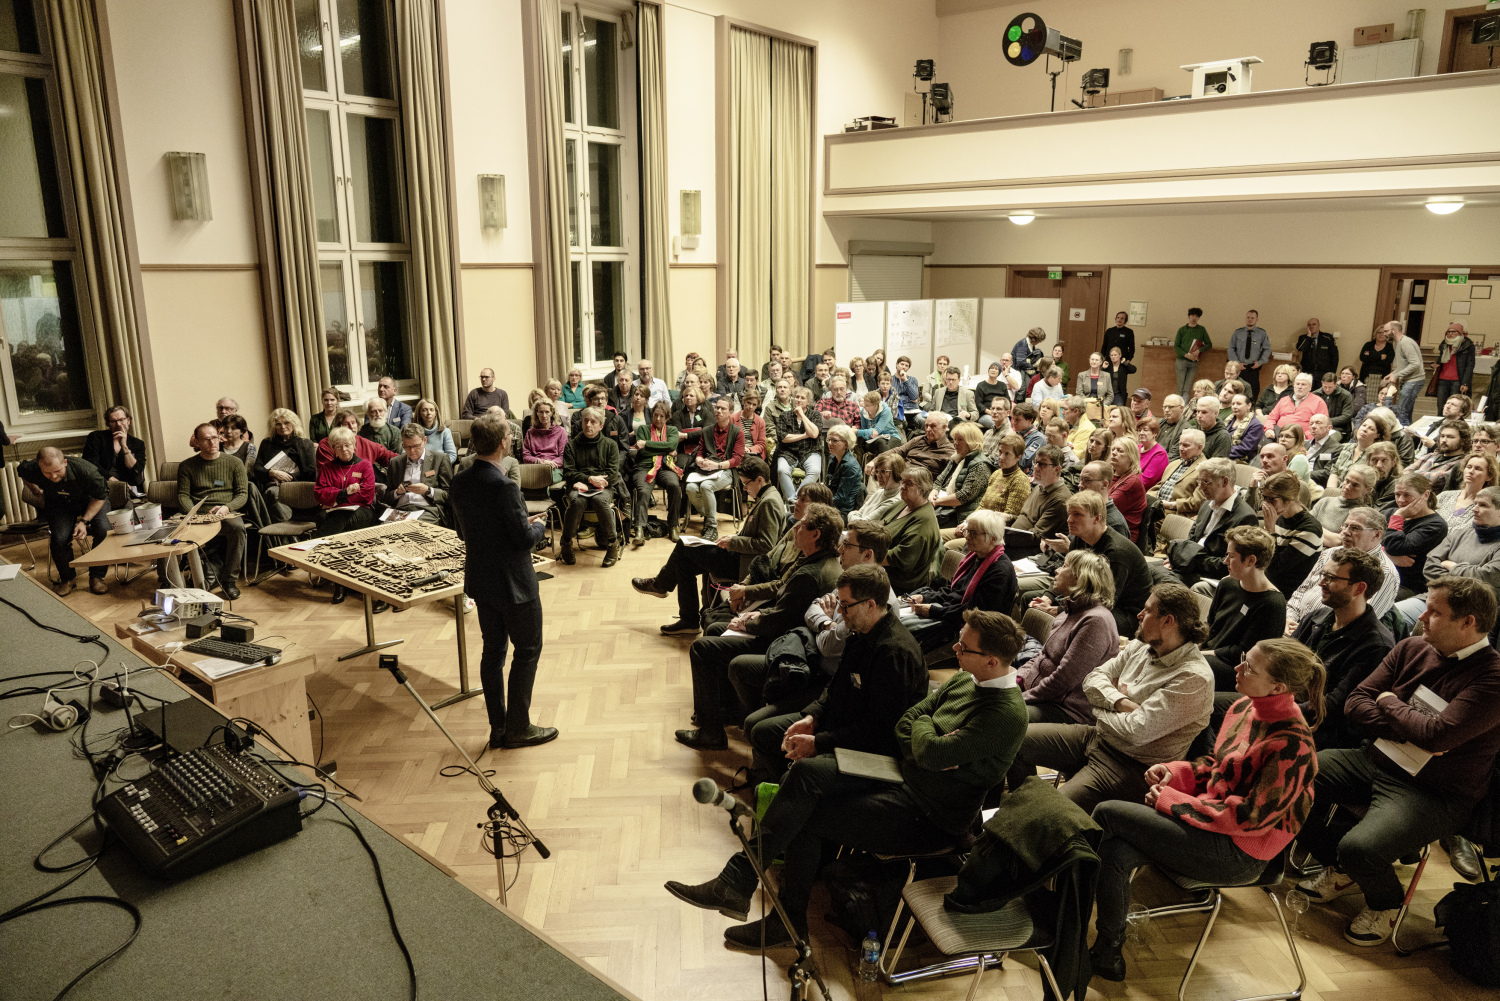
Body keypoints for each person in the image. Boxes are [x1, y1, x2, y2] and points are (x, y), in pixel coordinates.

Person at [664, 608, 1028, 950]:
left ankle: (778, 917)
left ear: (992, 661)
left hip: (930, 814)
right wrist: (927, 739)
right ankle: (741, 883)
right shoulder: (966, 679)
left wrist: (926, 742)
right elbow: (909, 723)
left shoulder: (1007, 714)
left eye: (963, 646)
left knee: (806, 816)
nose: (955, 649)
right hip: (901, 775)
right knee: (805, 772)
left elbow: (930, 751)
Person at [1089, 638, 1322, 981]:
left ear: (1278, 686)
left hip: (1241, 853)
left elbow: (1251, 819)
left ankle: (1066, 913)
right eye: (1244, 659)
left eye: (1250, 667)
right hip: (1216, 824)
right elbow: (1217, 766)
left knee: (1107, 812)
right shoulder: (1244, 707)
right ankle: (1107, 950)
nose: (1238, 669)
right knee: (1116, 849)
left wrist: (1173, 802)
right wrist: (1175, 772)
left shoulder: (1293, 744)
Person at [1296, 576, 1500, 946]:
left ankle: (1386, 902)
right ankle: (1342, 869)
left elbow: (1438, 736)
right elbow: (1355, 703)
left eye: (1435, 612)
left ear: (1468, 622)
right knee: (1290, 780)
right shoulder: (1411, 648)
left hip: (1433, 791)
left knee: (1361, 847)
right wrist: (1413, 728)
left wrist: (1389, 701)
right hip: (1374, 759)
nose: (1422, 617)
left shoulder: (1493, 678)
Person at [1011, 581, 1214, 817]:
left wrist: (1099, 705)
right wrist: (1120, 703)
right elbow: (1093, 678)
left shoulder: (1193, 677)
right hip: (1097, 736)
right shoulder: (1140, 645)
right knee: (1011, 738)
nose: (1138, 615)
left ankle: (1036, 823)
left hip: (1131, 765)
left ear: (1168, 621)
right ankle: (1021, 814)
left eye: (1147, 610)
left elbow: (1136, 732)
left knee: (1050, 813)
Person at [733, 527, 910, 783]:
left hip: (830, 691)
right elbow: (813, 609)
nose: (840, 549)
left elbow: (872, 722)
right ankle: (771, 781)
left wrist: (819, 739)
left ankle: (778, 784)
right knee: (756, 710)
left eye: (847, 545)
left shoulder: (884, 636)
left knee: (762, 725)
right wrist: (812, 716)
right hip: (821, 675)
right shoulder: (856, 599)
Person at [675, 503, 843, 750]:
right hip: (787, 633)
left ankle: (710, 731)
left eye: (802, 524)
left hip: (785, 644)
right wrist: (753, 615)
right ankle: (727, 709)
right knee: (713, 630)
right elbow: (784, 609)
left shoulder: (810, 572)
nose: (795, 526)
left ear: (816, 534)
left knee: (702, 648)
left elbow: (779, 622)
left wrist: (748, 621)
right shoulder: (819, 562)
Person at [447, 414, 555, 750]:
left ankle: (498, 727)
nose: (511, 439)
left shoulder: (460, 481)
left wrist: (520, 523)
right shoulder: (505, 486)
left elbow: (464, 532)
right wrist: (536, 526)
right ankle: (519, 728)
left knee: (492, 654)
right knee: (526, 651)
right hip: (515, 585)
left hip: (481, 580)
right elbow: (522, 540)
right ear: (501, 443)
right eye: (508, 435)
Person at [632, 455, 781, 631]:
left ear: (760, 480)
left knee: (683, 546)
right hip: (739, 557)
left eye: (746, 483)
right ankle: (689, 621)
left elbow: (767, 544)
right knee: (685, 563)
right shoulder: (767, 496)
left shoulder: (769, 502)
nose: (744, 488)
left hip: (743, 565)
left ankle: (661, 585)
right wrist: (733, 539)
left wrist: (734, 541)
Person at [1292, 547, 1395, 750]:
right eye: (1323, 574)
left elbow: (1335, 707)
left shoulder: (1376, 645)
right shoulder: (1316, 617)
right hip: (1290, 704)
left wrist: (1280, 709)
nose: (1321, 582)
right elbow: (1281, 662)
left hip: (1325, 731)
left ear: (1359, 588)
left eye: (1331, 578)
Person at [1016, 550, 1117, 723]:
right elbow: (1041, 656)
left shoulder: (1095, 621)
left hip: (1067, 710)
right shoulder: (1069, 611)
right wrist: (1017, 679)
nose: (1056, 570)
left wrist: (1020, 697)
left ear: (1079, 577)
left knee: (1000, 713)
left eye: (1064, 566)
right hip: (1044, 697)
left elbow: (1063, 680)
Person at [905, 509, 1016, 652]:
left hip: (969, 628)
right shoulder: (975, 557)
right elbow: (953, 590)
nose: (967, 537)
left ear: (993, 538)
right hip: (950, 613)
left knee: (902, 629)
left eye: (974, 533)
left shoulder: (1000, 571)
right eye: (967, 531)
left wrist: (933, 611)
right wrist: (925, 597)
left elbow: (974, 614)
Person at [1040, 490, 1150, 633]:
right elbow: (1064, 573)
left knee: (1077, 618)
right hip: (1087, 599)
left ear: (1097, 518)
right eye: (1069, 514)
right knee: (1030, 600)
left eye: (1077, 514)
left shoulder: (1116, 552)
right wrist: (1047, 598)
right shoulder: (1080, 538)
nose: (1069, 520)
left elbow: (1104, 601)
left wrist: (1059, 609)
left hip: (1124, 613)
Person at [1285, 507, 1401, 631]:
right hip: (1296, 626)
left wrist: (1307, 631)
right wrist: (1289, 618)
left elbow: (1357, 623)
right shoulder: (1330, 553)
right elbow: (1301, 591)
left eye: (1355, 528)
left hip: (1327, 637)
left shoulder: (1385, 573)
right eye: (1345, 526)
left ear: (1377, 534)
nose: (1345, 532)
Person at [1200, 527, 1287, 687]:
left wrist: (1197, 654)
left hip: (1238, 670)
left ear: (1251, 561)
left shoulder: (1272, 604)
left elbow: (1243, 653)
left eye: (1231, 556)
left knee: (1189, 662)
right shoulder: (1227, 584)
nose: (1225, 561)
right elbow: (1211, 625)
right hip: (1209, 655)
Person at [19, 446, 110, 596]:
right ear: (39, 466)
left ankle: (97, 577)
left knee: (103, 530)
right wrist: (36, 492)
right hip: (59, 502)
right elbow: (22, 471)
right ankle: (67, 579)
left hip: (91, 500)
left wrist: (84, 522)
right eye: (47, 473)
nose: (53, 476)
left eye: (57, 471)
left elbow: (100, 497)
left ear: (65, 462)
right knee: (59, 538)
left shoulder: (87, 471)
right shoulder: (32, 468)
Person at [177, 422, 248, 600]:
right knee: (176, 532)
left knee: (238, 529)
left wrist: (227, 507)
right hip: (199, 513)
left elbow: (242, 494)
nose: (212, 442)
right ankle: (174, 579)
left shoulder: (234, 462)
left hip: (225, 512)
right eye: (206, 439)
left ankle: (229, 581)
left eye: (215, 437)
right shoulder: (187, 466)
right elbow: (183, 495)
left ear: (220, 438)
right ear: (197, 442)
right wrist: (195, 514)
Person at [1164, 457, 1257, 587]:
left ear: (1225, 481)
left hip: (1208, 577)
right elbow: (1191, 540)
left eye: (1206, 482)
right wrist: (1178, 559)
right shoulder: (1206, 504)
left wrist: (1190, 559)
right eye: (1199, 481)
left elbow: (1229, 564)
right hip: (1188, 566)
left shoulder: (1245, 517)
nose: (1201, 488)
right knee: (1145, 569)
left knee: (1158, 578)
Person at [560, 406, 624, 567]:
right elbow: (568, 472)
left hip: (603, 487)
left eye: (593, 422)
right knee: (577, 501)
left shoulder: (610, 445)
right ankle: (566, 543)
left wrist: (596, 482)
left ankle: (612, 544)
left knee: (600, 501)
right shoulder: (571, 445)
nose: (588, 425)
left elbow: (613, 473)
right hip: (577, 486)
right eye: (586, 421)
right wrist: (589, 478)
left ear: (601, 426)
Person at [1380, 472, 1448, 606]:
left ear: (1426, 495)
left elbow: (1395, 546)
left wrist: (1399, 516)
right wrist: (1389, 555)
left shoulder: (1435, 525)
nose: (1400, 500)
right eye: (1397, 494)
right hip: (1380, 574)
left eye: (1407, 495)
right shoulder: (1388, 512)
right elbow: (1361, 542)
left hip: (1406, 585)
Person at [684, 397, 745, 542]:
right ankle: (708, 514)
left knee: (706, 486)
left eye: (723, 409)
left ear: (730, 412)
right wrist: (699, 461)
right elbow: (700, 452)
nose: (718, 411)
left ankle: (711, 526)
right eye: (717, 407)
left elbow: (737, 460)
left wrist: (717, 465)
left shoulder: (738, 432)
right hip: (706, 470)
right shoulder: (707, 430)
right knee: (690, 488)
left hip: (726, 470)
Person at [1260, 470, 1323, 595]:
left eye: (1271, 499)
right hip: (1265, 583)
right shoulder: (1279, 516)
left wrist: (1270, 531)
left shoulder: (1310, 529)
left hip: (1284, 593)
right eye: (1264, 498)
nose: (1266, 504)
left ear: (1289, 499)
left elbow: (1274, 568)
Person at [628, 401, 682, 546]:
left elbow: (671, 444)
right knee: (643, 491)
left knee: (674, 485)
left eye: (662, 416)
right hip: (644, 467)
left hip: (665, 467)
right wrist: (665, 449)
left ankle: (673, 526)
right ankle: (640, 528)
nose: (658, 419)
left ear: (667, 417)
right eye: (656, 415)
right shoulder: (643, 429)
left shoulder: (672, 430)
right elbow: (645, 452)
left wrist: (646, 443)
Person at [251, 409, 317, 519]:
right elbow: (257, 469)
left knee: (272, 494)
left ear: (294, 424)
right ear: (273, 426)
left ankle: (287, 528)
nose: (282, 427)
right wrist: (272, 473)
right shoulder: (267, 443)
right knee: (271, 494)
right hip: (274, 486)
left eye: (286, 422)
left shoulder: (304, 443)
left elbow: (310, 472)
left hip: (298, 486)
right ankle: (288, 529)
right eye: (278, 424)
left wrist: (285, 477)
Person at [885, 468, 943, 594]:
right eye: (902, 482)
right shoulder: (903, 504)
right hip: (881, 569)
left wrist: (866, 557)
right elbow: (878, 525)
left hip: (899, 584)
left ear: (922, 489)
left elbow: (901, 558)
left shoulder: (923, 520)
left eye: (909, 484)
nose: (902, 487)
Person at [384, 423, 452, 524]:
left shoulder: (439, 459)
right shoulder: (395, 462)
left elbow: (449, 495)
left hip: (426, 509)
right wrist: (397, 493)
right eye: (407, 447)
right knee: (385, 530)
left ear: (424, 440)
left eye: (416, 446)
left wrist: (428, 491)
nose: (412, 451)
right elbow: (387, 497)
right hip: (400, 511)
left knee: (415, 528)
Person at [929, 423, 988, 529]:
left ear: (971, 441)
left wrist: (936, 502)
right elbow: (939, 481)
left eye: (960, 440)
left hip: (959, 514)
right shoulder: (957, 457)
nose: (955, 443)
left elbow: (964, 496)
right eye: (954, 439)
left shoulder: (980, 465)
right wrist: (932, 494)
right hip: (944, 504)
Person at [771, 386, 824, 504]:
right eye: (796, 397)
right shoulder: (785, 416)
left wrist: (802, 414)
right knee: (781, 470)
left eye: (802, 398)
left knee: (815, 471)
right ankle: (795, 502)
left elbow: (815, 434)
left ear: (808, 402)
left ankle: (794, 500)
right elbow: (783, 438)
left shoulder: (815, 415)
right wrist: (805, 435)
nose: (798, 400)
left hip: (810, 451)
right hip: (788, 452)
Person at [81, 406, 146, 492]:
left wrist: (124, 447)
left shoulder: (137, 444)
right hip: (102, 486)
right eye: (113, 421)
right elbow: (90, 463)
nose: (118, 424)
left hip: (128, 489)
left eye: (121, 420)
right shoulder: (96, 437)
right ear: (108, 424)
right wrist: (109, 478)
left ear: (128, 421)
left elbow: (137, 471)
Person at [1313, 463, 1376, 545]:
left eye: (1355, 485)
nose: (1347, 487)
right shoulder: (1325, 501)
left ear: (1367, 490)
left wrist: (1313, 528)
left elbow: (1338, 542)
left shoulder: (1363, 515)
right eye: (1347, 481)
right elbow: (1303, 525)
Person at [879, 412, 955, 480]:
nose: (928, 429)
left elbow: (945, 481)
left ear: (944, 428)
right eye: (926, 425)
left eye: (932, 426)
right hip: (899, 477)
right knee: (880, 467)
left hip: (918, 486)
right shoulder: (918, 440)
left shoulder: (949, 451)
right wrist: (876, 460)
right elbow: (898, 450)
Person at [317, 407, 396, 471]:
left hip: (365, 481)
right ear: (339, 427)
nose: (351, 427)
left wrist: (406, 459)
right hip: (339, 485)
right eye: (346, 424)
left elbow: (386, 456)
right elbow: (327, 472)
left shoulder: (364, 443)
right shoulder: (326, 445)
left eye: (353, 423)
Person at [1152, 427, 1206, 516]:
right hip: (1157, 506)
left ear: (1199, 447)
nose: (1180, 448)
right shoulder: (1174, 464)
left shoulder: (1206, 470)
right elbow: (1158, 487)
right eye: (1180, 444)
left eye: (1185, 445)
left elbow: (1197, 502)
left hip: (1176, 513)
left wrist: (1170, 505)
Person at [1436, 453, 1498, 529]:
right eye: (1469, 467)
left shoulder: (1486, 506)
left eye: (1478, 468)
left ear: (1489, 476)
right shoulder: (1444, 496)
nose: (1471, 471)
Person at [1411, 418, 1470, 494]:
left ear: (1463, 441)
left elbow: (1437, 479)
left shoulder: (1463, 463)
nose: (1444, 440)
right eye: (1442, 436)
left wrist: (1413, 474)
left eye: (1450, 437)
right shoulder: (1429, 456)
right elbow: (1404, 473)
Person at [1428, 322, 1475, 415]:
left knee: (1454, 407)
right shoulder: (1444, 343)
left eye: (1454, 332)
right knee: (1441, 406)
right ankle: (1440, 426)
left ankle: (1452, 425)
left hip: (1457, 381)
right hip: (1442, 379)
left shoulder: (1468, 345)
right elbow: (1441, 358)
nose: (1450, 334)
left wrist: (1465, 383)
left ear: (1460, 333)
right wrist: (1435, 363)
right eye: (1449, 332)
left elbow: (1470, 365)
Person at [1383, 320, 1424, 426]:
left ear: (1394, 330)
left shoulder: (1405, 343)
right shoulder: (1399, 343)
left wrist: (1396, 375)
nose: (1384, 334)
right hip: (1410, 381)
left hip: (1414, 381)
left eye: (1386, 331)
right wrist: (1393, 373)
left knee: (1402, 414)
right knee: (1405, 413)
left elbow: (1415, 364)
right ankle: (1409, 439)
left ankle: (1404, 440)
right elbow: (1404, 365)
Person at [1265, 372, 1328, 437]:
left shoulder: (1319, 402)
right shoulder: (1284, 399)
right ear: (1294, 386)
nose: (1299, 387)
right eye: (1297, 384)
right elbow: (1271, 418)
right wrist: (1269, 429)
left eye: (1303, 384)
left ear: (1310, 387)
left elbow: (1322, 425)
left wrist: (1306, 436)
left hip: (1301, 437)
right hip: (1279, 434)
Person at [1108, 437, 1146, 543]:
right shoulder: (1112, 474)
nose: (1114, 453)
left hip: (1123, 537)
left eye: (1120, 451)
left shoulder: (1132, 481)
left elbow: (1105, 507)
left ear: (1131, 457)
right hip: (1109, 528)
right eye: (1113, 449)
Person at [853, 450, 906, 525]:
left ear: (896, 472)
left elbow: (862, 524)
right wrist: (856, 516)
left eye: (884, 471)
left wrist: (851, 515)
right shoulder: (879, 492)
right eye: (877, 471)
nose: (878, 475)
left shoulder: (895, 501)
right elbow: (859, 514)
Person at [1228, 309, 1271, 399]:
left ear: (1256, 319)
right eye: (1248, 317)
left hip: (1253, 367)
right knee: (1236, 391)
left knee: (1253, 392)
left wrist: (1260, 362)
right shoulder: (1238, 332)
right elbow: (1231, 348)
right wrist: (1237, 363)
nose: (1250, 319)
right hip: (1239, 367)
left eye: (1252, 318)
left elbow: (1267, 349)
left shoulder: (1261, 333)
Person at [1174, 307, 1210, 398]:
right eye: (1193, 315)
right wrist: (1186, 355)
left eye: (1197, 316)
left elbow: (1209, 344)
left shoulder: (1201, 329)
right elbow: (1176, 346)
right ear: (1189, 316)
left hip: (1194, 362)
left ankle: (1184, 409)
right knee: (1180, 388)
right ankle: (1178, 409)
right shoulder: (1182, 330)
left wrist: (1199, 350)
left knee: (1188, 388)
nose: (1194, 318)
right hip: (1181, 361)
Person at [522, 398, 568, 470]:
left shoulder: (561, 431)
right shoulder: (530, 432)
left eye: (547, 412)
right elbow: (525, 456)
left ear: (552, 413)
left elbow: (564, 456)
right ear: (537, 413)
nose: (544, 415)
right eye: (541, 412)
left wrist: (551, 463)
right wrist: (541, 462)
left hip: (554, 467)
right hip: (535, 466)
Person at [1225, 392, 1264, 461]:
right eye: (1233, 404)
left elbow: (1244, 449)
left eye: (1239, 404)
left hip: (1240, 461)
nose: (1234, 406)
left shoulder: (1256, 425)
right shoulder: (1228, 420)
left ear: (1249, 406)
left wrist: (1221, 452)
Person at [1315, 371, 1355, 438]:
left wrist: (1326, 422)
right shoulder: (1316, 394)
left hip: (1338, 428)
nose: (1327, 390)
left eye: (1330, 387)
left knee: (1327, 440)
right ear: (1322, 383)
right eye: (1325, 387)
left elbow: (1347, 416)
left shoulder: (1345, 395)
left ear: (1336, 384)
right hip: (1317, 426)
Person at [1306, 412, 1341, 484]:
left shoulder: (1337, 448)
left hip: (1316, 484)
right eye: (1311, 424)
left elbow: (1327, 473)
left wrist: (1302, 475)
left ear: (1329, 428)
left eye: (1318, 423)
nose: (1313, 426)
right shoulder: (1304, 444)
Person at [1192, 394, 1230, 458]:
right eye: (1198, 411)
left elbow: (1216, 465)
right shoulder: (1191, 430)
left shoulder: (1222, 437)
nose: (1199, 416)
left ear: (1216, 413)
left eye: (1204, 412)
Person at [733, 391, 767, 461]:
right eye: (748, 403)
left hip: (753, 453)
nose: (750, 407)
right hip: (735, 452)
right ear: (744, 402)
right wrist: (740, 449)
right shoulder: (732, 418)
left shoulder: (760, 421)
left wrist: (749, 449)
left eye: (754, 404)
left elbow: (762, 444)